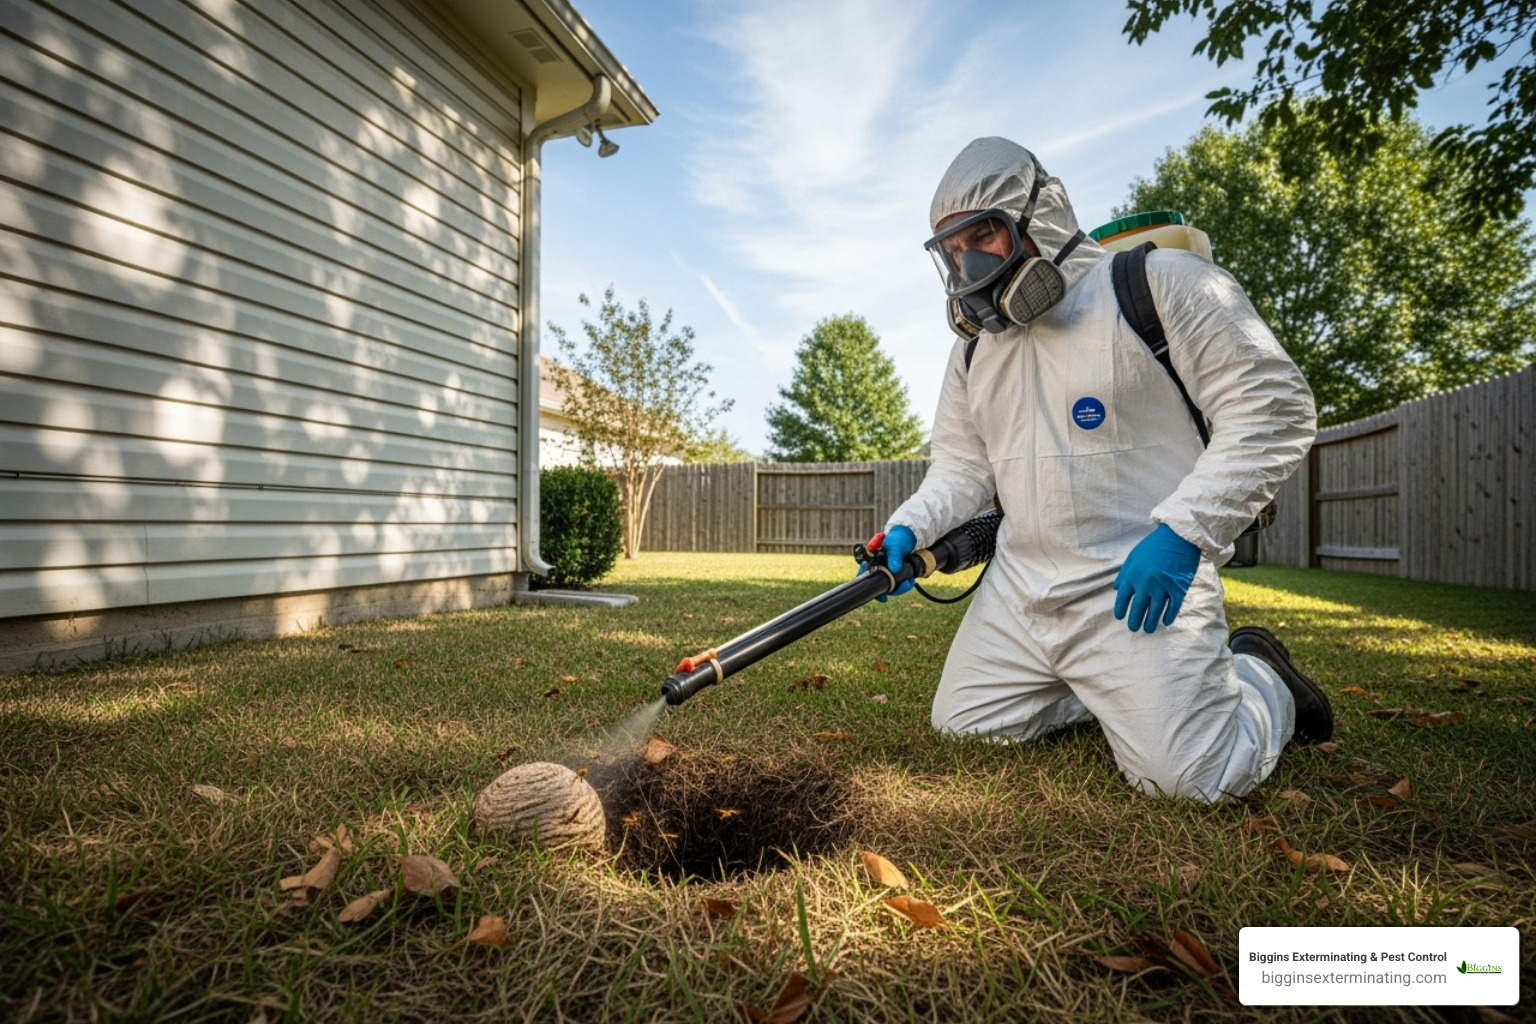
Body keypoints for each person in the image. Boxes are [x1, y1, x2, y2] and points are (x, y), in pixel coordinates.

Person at [870, 137, 1331, 803]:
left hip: (1140, 585)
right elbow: (963, 468)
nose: (967, 260)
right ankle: (1110, 691)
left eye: (984, 234)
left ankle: (1264, 678)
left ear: (1040, 216)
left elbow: (1274, 408)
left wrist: (1184, 532)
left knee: (1195, 782)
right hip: (1020, 589)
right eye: (952, 247)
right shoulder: (975, 353)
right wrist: (910, 528)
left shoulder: (1160, 285)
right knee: (965, 727)